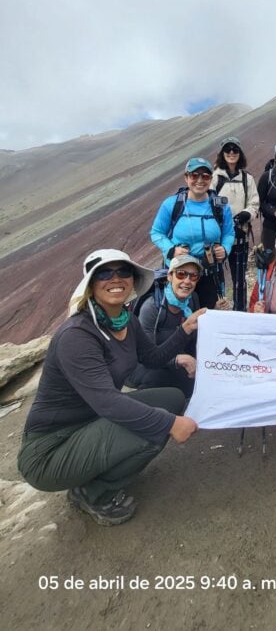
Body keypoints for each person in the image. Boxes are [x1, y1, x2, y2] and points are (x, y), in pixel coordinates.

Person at [17, 249, 203, 526]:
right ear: (91, 284)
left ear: (132, 280)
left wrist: (185, 329)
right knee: (153, 431)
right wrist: (171, 423)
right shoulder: (77, 336)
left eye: (123, 272)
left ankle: (95, 471)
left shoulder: (126, 320)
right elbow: (108, 402)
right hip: (50, 450)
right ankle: (91, 493)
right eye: (105, 273)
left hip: (90, 422)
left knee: (172, 397)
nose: (115, 279)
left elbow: (152, 358)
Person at [150, 158, 234, 309]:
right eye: (194, 175)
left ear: (211, 179)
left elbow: (228, 233)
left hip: (210, 274)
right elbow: (156, 233)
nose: (200, 180)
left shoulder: (221, 206)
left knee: (208, 315)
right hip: (180, 276)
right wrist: (172, 250)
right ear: (186, 177)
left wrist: (225, 249)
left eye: (205, 176)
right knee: (179, 319)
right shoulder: (172, 204)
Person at [128, 254, 215, 398]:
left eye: (193, 276)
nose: (187, 281)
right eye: (181, 274)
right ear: (169, 276)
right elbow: (145, 356)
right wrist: (177, 360)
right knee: (157, 378)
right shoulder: (152, 308)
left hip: (174, 358)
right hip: (144, 365)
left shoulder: (193, 299)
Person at [211, 136, 260, 311]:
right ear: (222, 153)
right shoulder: (214, 178)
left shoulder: (247, 179)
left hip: (240, 235)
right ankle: (219, 310)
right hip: (218, 237)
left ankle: (240, 310)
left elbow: (254, 203)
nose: (231, 153)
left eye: (235, 150)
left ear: (240, 153)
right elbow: (209, 203)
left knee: (239, 278)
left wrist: (245, 215)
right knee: (217, 277)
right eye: (228, 150)